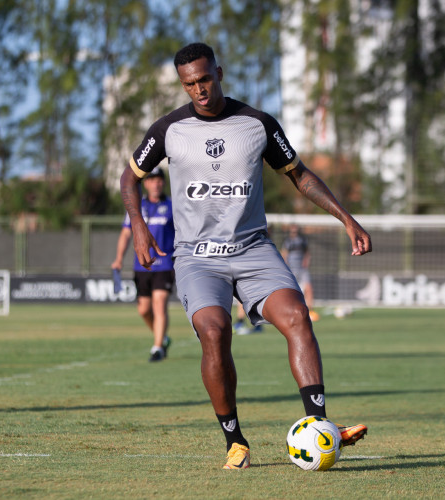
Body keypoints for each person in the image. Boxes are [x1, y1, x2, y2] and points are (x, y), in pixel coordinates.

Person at [120, 42, 372, 469]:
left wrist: (345, 218)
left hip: (253, 248)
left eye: (204, 79)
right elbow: (129, 178)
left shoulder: (257, 123)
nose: (198, 90)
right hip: (197, 257)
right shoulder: (168, 130)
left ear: (218, 72)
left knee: (296, 317)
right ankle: (234, 440)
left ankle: (321, 427)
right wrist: (139, 227)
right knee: (215, 332)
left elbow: (299, 175)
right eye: (189, 84)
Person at [112, 166, 176, 362]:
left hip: (165, 264)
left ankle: (157, 348)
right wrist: (118, 259)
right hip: (142, 265)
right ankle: (162, 337)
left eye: (159, 180)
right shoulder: (137, 208)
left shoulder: (173, 206)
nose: (156, 183)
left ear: (163, 183)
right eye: (151, 180)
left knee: (159, 304)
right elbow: (125, 233)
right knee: (143, 310)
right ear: (145, 183)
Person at [281, 224, 318, 321]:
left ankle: (310, 310)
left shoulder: (303, 240)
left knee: (308, 288)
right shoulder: (287, 241)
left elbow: (307, 253)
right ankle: (289, 310)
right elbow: (284, 254)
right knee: (290, 291)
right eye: (293, 231)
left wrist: (306, 261)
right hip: (291, 269)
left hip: (302, 269)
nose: (294, 233)